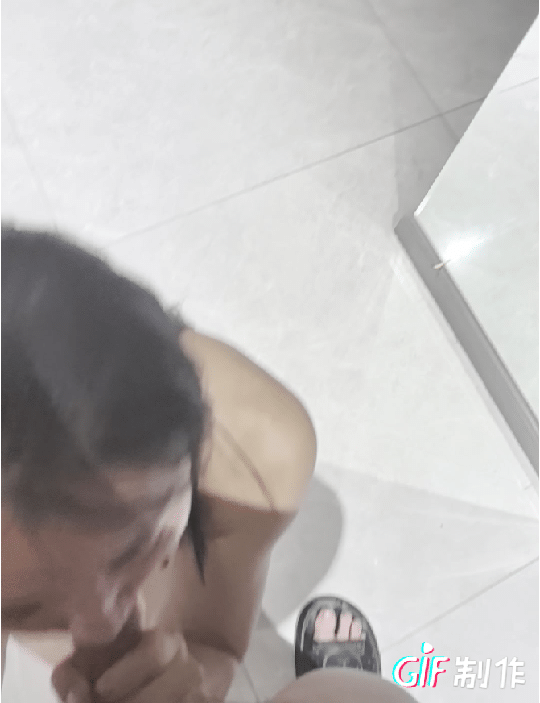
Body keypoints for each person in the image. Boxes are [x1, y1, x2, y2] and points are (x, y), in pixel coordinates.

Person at [1, 227, 413, 703]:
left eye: (134, 547)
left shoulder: (252, 443)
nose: (104, 628)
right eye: (24, 608)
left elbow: (214, 644)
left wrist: (187, 680)